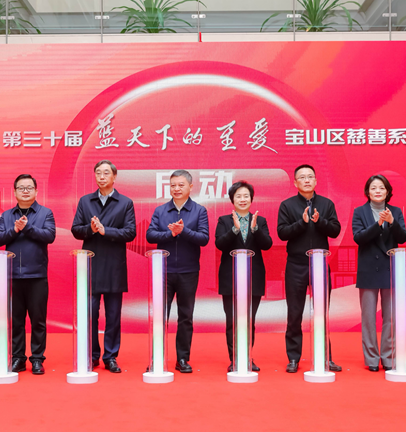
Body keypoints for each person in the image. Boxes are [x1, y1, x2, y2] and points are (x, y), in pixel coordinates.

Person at [71, 160, 136, 373]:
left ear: (114, 176)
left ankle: (111, 356)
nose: (101, 176)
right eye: (98, 172)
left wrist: (105, 231)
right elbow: (75, 229)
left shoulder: (125, 202)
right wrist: (91, 229)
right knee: (89, 314)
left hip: (114, 267)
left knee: (113, 316)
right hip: (90, 267)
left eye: (106, 173)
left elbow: (130, 232)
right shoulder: (85, 201)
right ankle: (91, 355)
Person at [277, 164, 342, 373]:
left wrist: (319, 221)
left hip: (320, 265)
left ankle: (325, 357)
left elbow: (335, 230)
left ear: (316, 181)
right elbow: (282, 233)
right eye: (302, 177)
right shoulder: (287, 205)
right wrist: (302, 223)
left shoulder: (326, 204)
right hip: (296, 265)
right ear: (295, 182)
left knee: (321, 313)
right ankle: (293, 358)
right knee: (294, 313)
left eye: (310, 177)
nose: (307, 180)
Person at [146, 170, 209, 373]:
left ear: (191, 187)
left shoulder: (199, 211)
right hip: (163, 271)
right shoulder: (161, 210)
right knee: (159, 316)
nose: (176, 189)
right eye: (173, 185)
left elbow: (204, 238)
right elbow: (150, 235)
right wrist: (170, 234)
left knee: (185, 316)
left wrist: (184, 231)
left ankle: (182, 358)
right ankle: (157, 357)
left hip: (188, 272)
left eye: (181, 185)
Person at [0, 174, 56, 375]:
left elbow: (49, 236)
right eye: (21, 188)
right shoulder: (7, 215)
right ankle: (18, 358)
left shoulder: (45, 213)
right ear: (15, 192)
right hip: (12, 276)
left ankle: (37, 359)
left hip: (37, 276)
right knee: (16, 321)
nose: (25, 191)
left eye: (29, 187)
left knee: (38, 320)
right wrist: (14, 229)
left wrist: (27, 227)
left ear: (36, 191)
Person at [351, 174, 406, 372]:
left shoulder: (396, 211)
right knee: (368, 318)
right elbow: (358, 237)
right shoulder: (359, 211)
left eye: (381, 188)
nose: (377, 191)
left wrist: (392, 222)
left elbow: (403, 237)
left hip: (390, 269)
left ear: (387, 191)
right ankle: (372, 359)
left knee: (390, 317)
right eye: (373, 188)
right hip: (368, 270)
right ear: (368, 192)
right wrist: (378, 225)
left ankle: (388, 357)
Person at [214, 181, 273, 372]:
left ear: (251, 199)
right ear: (232, 200)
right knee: (232, 321)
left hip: (253, 277)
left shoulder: (260, 221)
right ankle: (235, 359)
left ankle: (247, 357)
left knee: (248, 321)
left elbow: (267, 244)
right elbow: (220, 244)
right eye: (238, 196)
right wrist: (235, 229)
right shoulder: (224, 220)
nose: (242, 199)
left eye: (246, 196)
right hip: (230, 278)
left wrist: (255, 229)